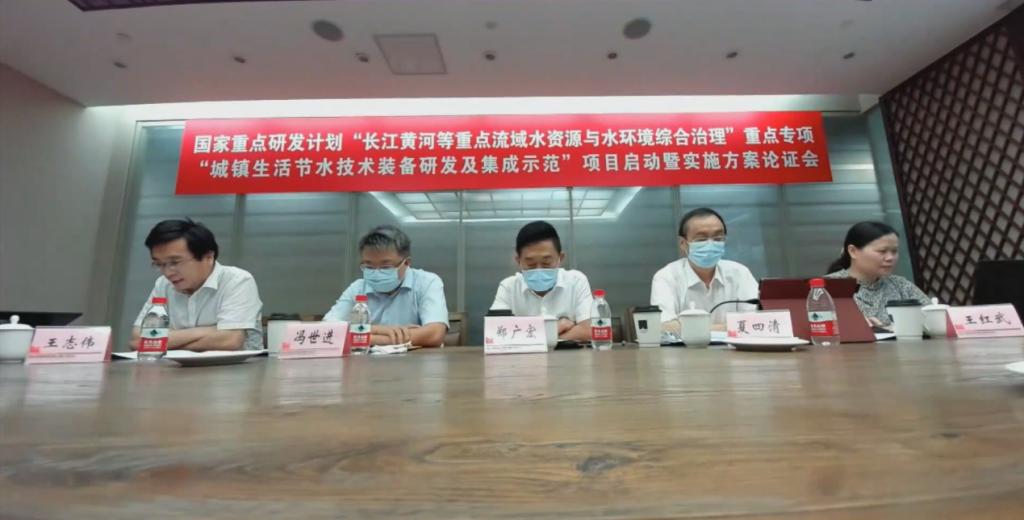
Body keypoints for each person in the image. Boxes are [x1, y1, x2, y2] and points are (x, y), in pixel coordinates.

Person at [132, 219, 263, 351]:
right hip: (173, 364)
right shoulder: (163, 284)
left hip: (234, 364)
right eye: (159, 264)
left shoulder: (237, 280)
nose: (167, 273)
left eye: (175, 262)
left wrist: (161, 340)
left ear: (208, 257)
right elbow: (137, 340)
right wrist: (210, 331)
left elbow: (229, 341)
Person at [324, 225, 448, 347]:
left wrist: (364, 336)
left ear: (406, 263)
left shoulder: (427, 282)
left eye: (386, 267)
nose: (376, 272)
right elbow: (327, 330)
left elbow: (435, 334)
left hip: (416, 359)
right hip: (365, 359)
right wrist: (378, 330)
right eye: (369, 267)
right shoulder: (357, 288)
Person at [650, 207, 758, 332]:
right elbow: (665, 326)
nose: (710, 244)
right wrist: (726, 327)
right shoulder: (666, 277)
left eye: (717, 238)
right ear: (683, 243)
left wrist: (692, 329)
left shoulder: (739, 273)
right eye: (701, 239)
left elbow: (758, 319)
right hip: (686, 346)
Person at [491, 221, 593, 342]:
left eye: (546, 263)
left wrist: (526, 337)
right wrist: (555, 328)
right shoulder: (508, 287)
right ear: (519, 261)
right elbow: (496, 334)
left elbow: (589, 331)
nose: (539, 269)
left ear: (560, 258)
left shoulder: (576, 281)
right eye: (531, 264)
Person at [826, 221, 930, 327]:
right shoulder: (826, 287)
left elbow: (931, 317)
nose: (890, 258)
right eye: (882, 251)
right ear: (853, 251)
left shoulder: (901, 285)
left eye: (894, 251)